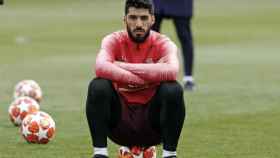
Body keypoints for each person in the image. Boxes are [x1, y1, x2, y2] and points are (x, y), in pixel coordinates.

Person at [86, 0, 186, 158]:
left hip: (153, 125)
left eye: (144, 18)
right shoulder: (112, 40)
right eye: (133, 17)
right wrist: (150, 75)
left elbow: (172, 71)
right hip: (119, 124)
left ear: (152, 19)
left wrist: (118, 65)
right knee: (98, 86)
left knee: (173, 89)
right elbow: (100, 67)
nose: (138, 23)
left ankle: (169, 154)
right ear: (125, 19)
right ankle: (100, 153)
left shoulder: (164, 43)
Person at [152, 0, 195, 90]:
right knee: (151, 37)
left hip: (181, 3)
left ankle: (188, 78)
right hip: (157, 3)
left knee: (184, 35)